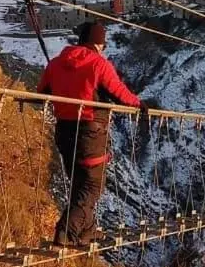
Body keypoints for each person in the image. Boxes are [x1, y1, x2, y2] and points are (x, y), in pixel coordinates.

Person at [38, 21, 145, 248]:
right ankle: (66, 232)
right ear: (99, 43)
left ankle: (87, 230)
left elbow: (43, 93)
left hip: (63, 130)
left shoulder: (56, 64)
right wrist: (140, 105)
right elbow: (120, 94)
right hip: (90, 130)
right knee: (91, 186)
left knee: (79, 182)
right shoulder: (98, 64)